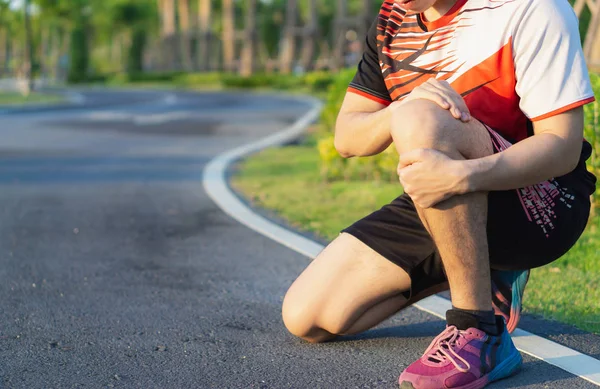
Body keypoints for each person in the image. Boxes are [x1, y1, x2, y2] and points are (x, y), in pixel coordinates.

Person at [281, 0, 597, 387]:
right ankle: (487, 269)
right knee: (307, 317)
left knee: (422, 118)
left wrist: (465, 175)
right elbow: (347, 137)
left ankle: (479, 330)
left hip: (542, 203)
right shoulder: (392, 21)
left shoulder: (531, 7)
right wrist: (400, 109)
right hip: (447, 196)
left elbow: (562, 147)